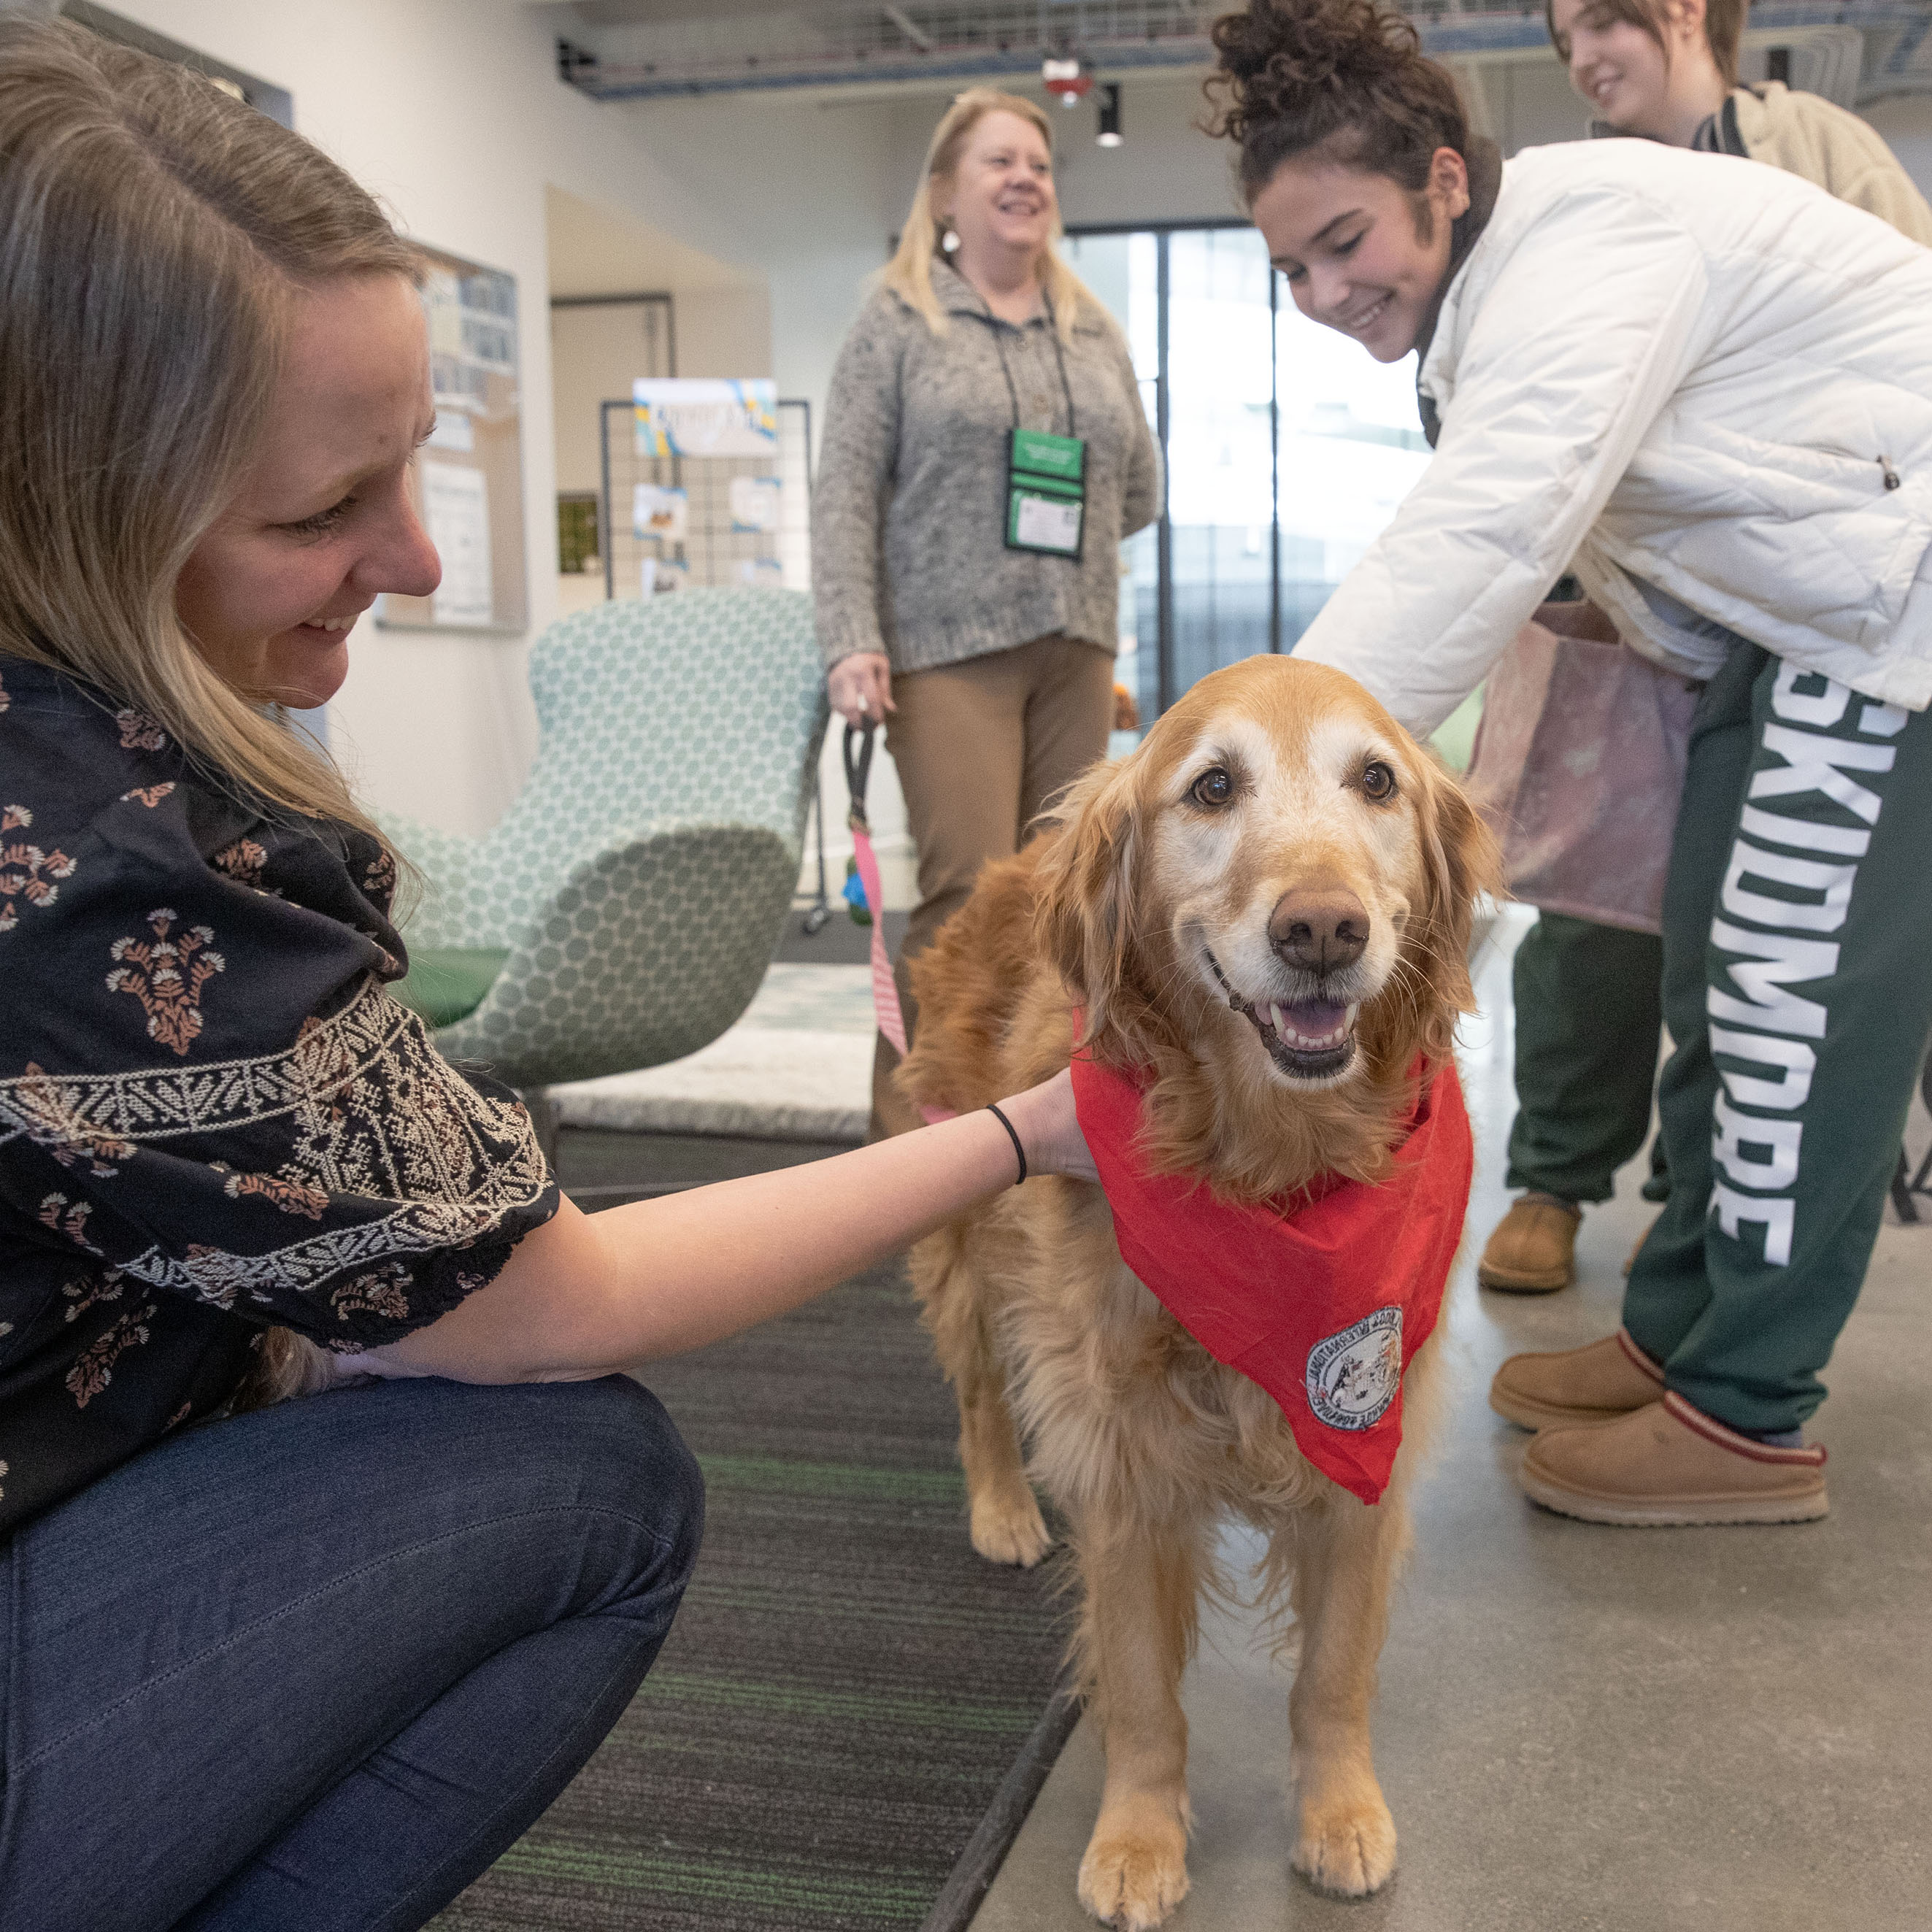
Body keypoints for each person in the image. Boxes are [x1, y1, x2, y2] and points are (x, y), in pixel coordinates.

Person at [0, 23, 1096, 1930]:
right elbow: (552, 1304)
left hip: (1059, 626)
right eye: (316, 512)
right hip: (939, 664)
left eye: (414, 471)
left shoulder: (1074, 331)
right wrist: (1025, 1131)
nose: (414, 557)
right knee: (588, 1476)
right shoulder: (112, 876)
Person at [1205, 0, 1932, 1524]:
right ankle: (1685, 1334)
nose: (1327, 291)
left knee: (1791, 997)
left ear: (1445, 183)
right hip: (1798, 624)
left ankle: (1744, 1418)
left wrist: (1250, 780)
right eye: (1293, 269)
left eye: (1345, 241)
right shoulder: (1495, 307)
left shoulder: (1581, 240)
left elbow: (1486, 527)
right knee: (1711, 986)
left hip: (1892, 605)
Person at [1475, 0, 1932, 1296]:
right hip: (1626, 616)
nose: (1583, 59)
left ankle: (1699, 1208)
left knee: (1746, 942)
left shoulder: (1814, 151)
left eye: (1602, 27)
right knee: (1583, 913)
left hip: (1799, 621)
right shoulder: (1580, 202)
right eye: (1565, 39)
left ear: (1684, 13)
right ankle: (1555, 1175)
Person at [812, 88, 1161, 1139]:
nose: (1026, 180)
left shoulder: (1088, 327)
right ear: (945, 193)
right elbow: (845, 489)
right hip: (946, 648)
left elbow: (1139, 485)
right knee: (967, 897)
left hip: (1076, 642)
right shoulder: (899, 320)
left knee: (1066, 893)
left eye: (1040, 165)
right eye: (999, 162)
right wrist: (852, 640)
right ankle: (910, 1134)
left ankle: (1030, 1121)